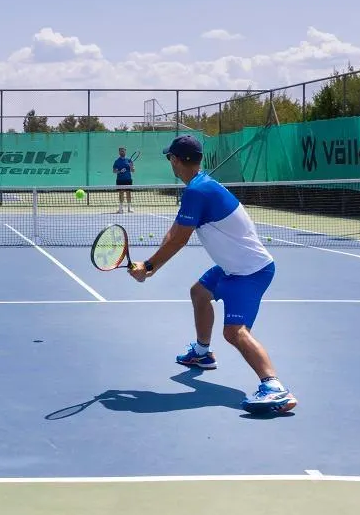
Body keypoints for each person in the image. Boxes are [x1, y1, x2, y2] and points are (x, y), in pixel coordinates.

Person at [128, 135, 296, 412]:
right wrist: (149, 264)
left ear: (175, 160)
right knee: (199, 292)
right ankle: (202, 353)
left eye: (170, 157)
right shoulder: (199, 186)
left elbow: (180, 240)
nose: (170, 162)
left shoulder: (197, 191)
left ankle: (274, 387)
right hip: (233, 268)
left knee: (234, 332)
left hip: (250, 272)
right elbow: (175, 232)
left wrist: (148, 267)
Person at [112, 147, 135, 213]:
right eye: (121, 151)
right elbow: (114, 171)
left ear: (125, 152)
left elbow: (133, 170)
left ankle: (129, 208)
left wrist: (131, 166)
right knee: (121, 193)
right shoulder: (117, 161)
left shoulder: (129, 160)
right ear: (119, 152)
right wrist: (119, 171)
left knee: (128, 194)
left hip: (128, 179)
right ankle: (120, 209)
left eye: (123, 151)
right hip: (120, 180)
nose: (122, 152)